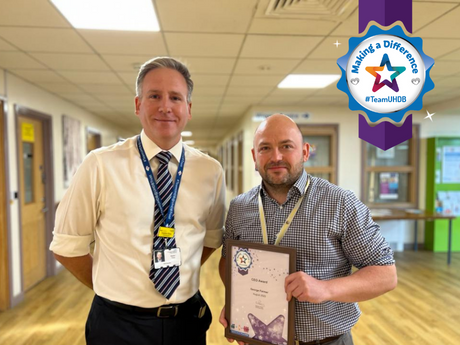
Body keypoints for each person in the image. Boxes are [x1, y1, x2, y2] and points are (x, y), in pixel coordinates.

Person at [50, 57, 226, 345]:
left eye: (175, 97)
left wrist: (174, 272)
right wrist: (116, 286)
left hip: (186, 322)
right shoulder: (100, 165)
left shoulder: (210, 171)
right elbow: (66, 247)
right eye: (154, 96)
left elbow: (209, 239)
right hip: (118, 325)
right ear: (137, 105)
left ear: (188, 109)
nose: (165, 106)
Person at [219, 114, 397, 345]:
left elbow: (385, 275)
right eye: (265, 148)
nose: (276, 156)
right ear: (254, 157)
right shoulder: (239, 207)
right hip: (260, 339)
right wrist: (238, 302)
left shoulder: (340, 203)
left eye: (286, 146)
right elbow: (228, 262)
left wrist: (325, 289)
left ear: (304, 152)